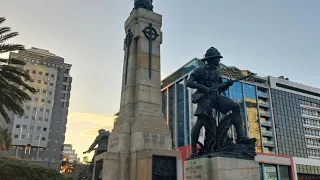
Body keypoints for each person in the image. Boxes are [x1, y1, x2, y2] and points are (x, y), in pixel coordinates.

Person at [186, 47, 255, 157]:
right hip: (205, 98)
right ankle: (194, 149)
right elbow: (189, 83)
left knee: (235, 106)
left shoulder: (217, 74)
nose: (219, 60)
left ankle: (241, 136)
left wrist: (227, 85)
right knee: (201, 121)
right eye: (217, 58)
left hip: (217, 97)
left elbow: (220, 89)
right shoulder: (199, 71)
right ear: (211, 59)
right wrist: (203, 88)